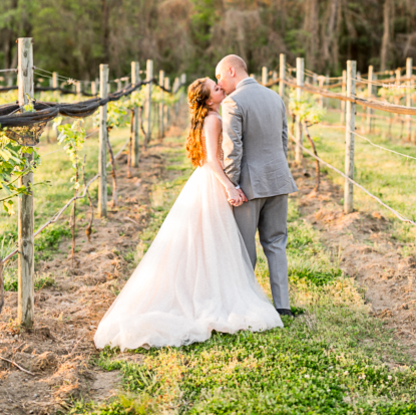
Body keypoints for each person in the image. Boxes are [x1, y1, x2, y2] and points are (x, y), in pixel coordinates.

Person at [93, 76, 281, 350]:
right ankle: (209, 296)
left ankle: (205, 289)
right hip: (213, 182)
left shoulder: (211, 117)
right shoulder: (215, 120)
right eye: (215, 88)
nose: (221, 88)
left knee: (205, 243)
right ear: (208, 100)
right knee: (212, 240)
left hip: (204, 181)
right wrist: (230, 186)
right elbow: (212, 161)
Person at [216, 53, 299, 316]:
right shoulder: (275, 98)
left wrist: (232, 185)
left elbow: (232, 149)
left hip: (248, 187)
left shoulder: (232, 102)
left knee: (244, 245)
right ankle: (282, 305)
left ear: (231, 71)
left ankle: (245, 304)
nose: (219, 84)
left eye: (219, 76)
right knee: (276, 242)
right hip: (277, 179)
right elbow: (283, 139)